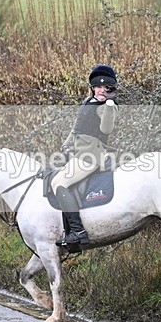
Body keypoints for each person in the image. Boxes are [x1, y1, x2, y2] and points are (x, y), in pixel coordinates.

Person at [51, 65, 118, 250]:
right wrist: (66, 145)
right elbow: (77, 127)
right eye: (98, 87)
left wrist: (110, 105)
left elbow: (106, 129)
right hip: (79, 153)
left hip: (91, 156)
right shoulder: (88, 101)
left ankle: (78, 232)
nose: (102, 91)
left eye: (106, 88)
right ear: (92, 88)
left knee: (58, 183)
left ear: (112, 89)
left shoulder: (108, 107)